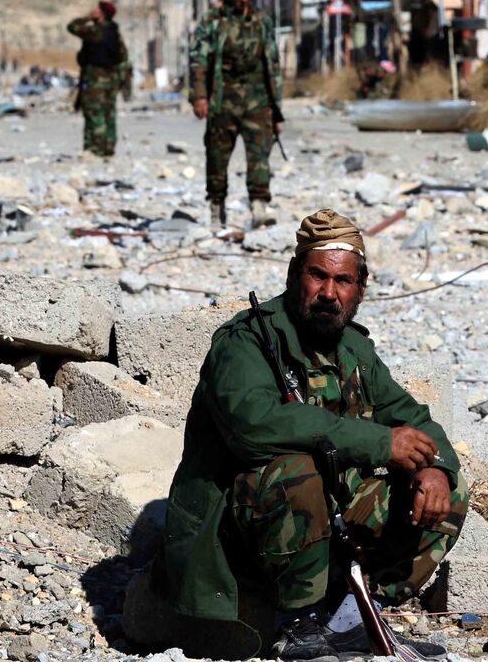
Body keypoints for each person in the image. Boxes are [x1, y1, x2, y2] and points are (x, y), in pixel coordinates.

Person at [154, 209, 467, 660]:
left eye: (342, 281)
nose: (328, 293)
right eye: (317, 276)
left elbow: (412, 417)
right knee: (297, 471)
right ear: (294, 274)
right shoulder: (247, 341)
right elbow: (253, 427)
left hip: (325, 524)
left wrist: (434, 468)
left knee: (446, 488)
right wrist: (380, 443)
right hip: (238, 536)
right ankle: (297, 624)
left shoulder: (354, 349)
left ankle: (353, 617)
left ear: (361, 288)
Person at [189, 0, 282, 231]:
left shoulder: (262, 21)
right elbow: (198, 60)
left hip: (257, 100)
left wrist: (277, 110)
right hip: (223, 100)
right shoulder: (213, 21)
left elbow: (273, 65)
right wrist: (199, 96)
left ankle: (259, 208)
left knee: (260, 157)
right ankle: (217, 209)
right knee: (217, 158)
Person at [67, 0, 131, 158]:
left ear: (101, 14)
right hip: (112, 80)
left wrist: (87, 17)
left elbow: (72, 27)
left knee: (94, 113)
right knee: (109, 113)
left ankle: (95, 148)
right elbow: (123, 57)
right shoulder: (114, 33)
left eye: (97, 9)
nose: (93, 9)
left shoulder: (95, 32)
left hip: (95, 79)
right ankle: (108, 147)